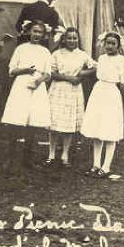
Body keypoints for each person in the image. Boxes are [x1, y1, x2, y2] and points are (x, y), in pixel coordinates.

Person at [0, 21, 53, 170]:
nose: (36, 35)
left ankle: (27, 159)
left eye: (40, 32)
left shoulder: (45, 52)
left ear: (43, 35)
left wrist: (38, 81)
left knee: (32, 124)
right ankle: (10, 159)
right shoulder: (21, 49)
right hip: (21, 87)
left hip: (37, 88)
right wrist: (25, 71)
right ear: (29, 32)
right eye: (34, 31)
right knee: (16, 122)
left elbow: (48, 74)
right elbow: (11, 70)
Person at [80, 32, 124, 177]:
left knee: (109, 130)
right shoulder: (101, 58)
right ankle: (96, 164)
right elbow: (97, 72)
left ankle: (106, 166)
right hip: (98, 92)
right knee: (97, 129)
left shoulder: (122, 60)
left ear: (118, 46)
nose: (110, 46)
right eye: (107, 43)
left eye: (113, 43)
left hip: (111, 94)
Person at [47, 28, 96, 167]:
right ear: (64, 39)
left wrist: (81, 74)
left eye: (75, 38)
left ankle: (65, 155)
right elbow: (50, 72)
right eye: (69, 38)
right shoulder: (57, 54)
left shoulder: (82, 55)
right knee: (54, 123)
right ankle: (51, 154)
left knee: (68, 123)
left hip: (74, 90)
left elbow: (95, 67)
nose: (72, 41)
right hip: (58, 89)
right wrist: (68, 77)